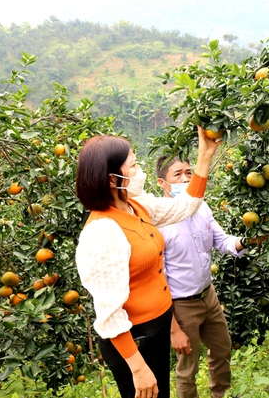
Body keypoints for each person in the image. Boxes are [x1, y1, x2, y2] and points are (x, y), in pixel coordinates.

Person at [75, 127, 221, 398]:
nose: (140, 170)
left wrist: (205, 155)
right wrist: (137, 367)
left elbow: (185, 206)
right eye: (133, 165)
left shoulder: (136, 206)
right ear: (111, 179)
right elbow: (109, 313)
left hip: (157, 328)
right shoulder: (102, 232)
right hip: (135, 339)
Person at [155, 154, 247, 398]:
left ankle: (221, 394)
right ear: (162, 184)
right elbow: (156, 279)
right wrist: (174, 328)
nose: (185, 178)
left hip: (209, 296)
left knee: (222, 349)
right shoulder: (158, 223)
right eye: (177, 175)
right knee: (187, 367)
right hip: (181, 306)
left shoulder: (201, 207)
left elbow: (222, 241)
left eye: (188, 172)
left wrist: (245, 242)